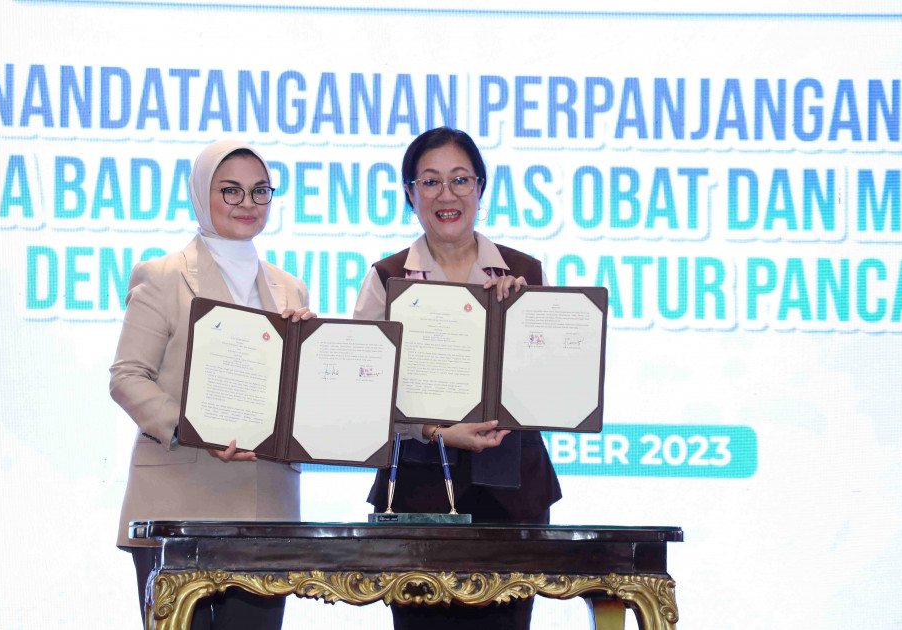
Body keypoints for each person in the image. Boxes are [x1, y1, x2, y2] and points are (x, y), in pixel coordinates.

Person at [352, 127, 563, 630]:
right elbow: (364, 392)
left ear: (481, 188)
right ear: (410, 194)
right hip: (418, 492)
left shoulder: (525, 273)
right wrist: (435, 431)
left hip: (512, 493)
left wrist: (524, 319)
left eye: (460, 180)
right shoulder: (387, 277)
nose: (446, 195)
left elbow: (553, 384)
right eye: (430, 181)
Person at [109, 140, 314, 629]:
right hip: (178, 502)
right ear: (203, 193)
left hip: (267, 508)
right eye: (231, 190)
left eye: (260, 191)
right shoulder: (162, 276)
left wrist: (313, 354)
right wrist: (192, 428)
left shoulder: (291, 288)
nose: (248, 203)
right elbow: (127, 377)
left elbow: (295, 398)